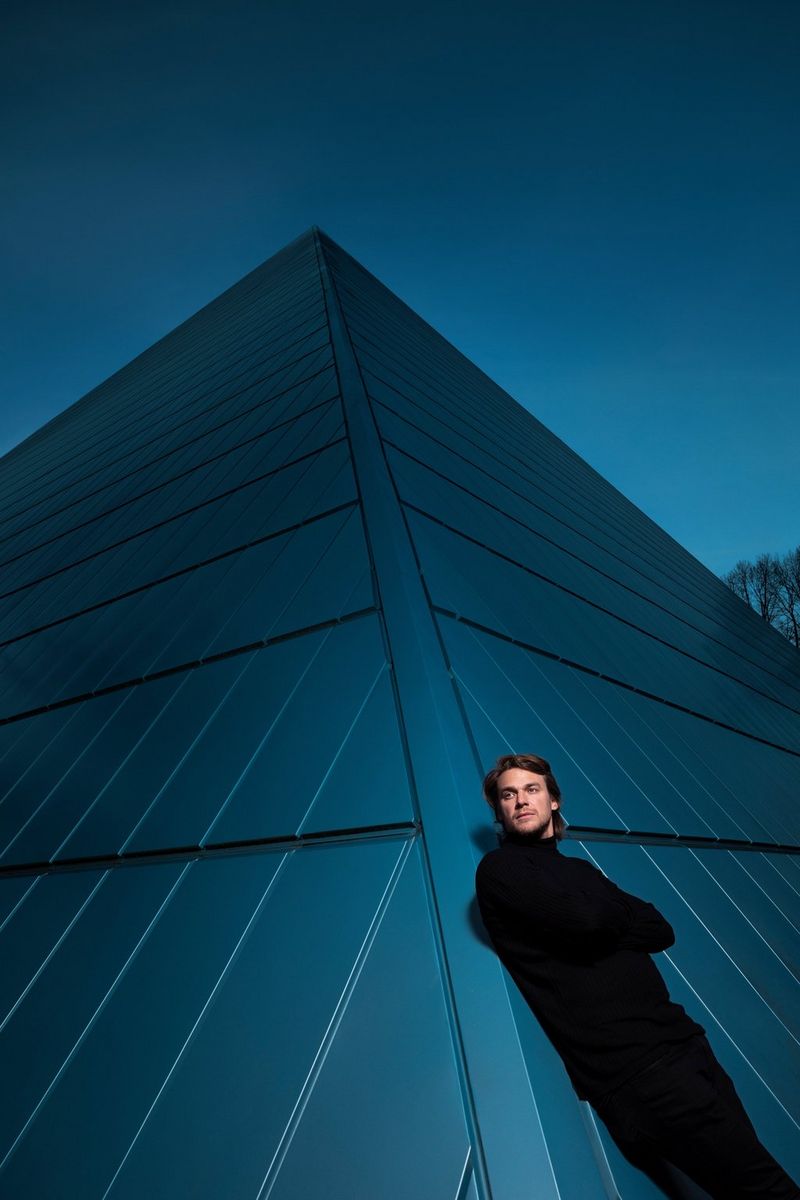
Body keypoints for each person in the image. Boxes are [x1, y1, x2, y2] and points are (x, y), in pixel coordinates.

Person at [475, 752, 800, 1200]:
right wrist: (610, 916)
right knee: (767, 1189)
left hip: (684, 1043)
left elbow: (659, 928)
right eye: (508, 795)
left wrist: (605, 917)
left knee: (750, 1183)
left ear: (554, 801)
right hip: (638, 1071)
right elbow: (588, 921)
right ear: (500, 811)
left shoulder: (577, 869)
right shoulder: (501, 870)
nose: (520, 801)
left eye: (532, 789)